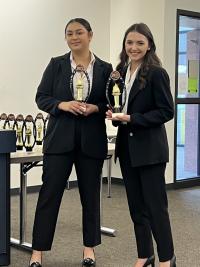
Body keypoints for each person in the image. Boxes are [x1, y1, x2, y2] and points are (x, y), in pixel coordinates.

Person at [29, 18, 112, 267]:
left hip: (91, 143)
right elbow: (41, 97)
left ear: (90, 35)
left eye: (79, 32)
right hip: (58, 142)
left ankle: (89, 250)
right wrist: (61, 105)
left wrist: (95, 108)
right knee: (48, 196)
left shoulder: (106, 68)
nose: (74, 37)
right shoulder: (56, 65)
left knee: (90, 197)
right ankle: (37, 252)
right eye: (69, 33)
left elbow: (111, 102)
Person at [106, 23, 176, 267]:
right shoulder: (120, 71)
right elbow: (121, 106)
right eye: (129, 43)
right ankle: (145, 255)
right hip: (127, 150)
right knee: (137, 208)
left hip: (150, 151)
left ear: (149, 46)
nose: (133, 47)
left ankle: (167, 258)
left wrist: (132, 119)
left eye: (139, 43)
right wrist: (116, 116)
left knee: (156, 208)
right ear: (124, 45)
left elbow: (167, 111)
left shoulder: (157, 72)